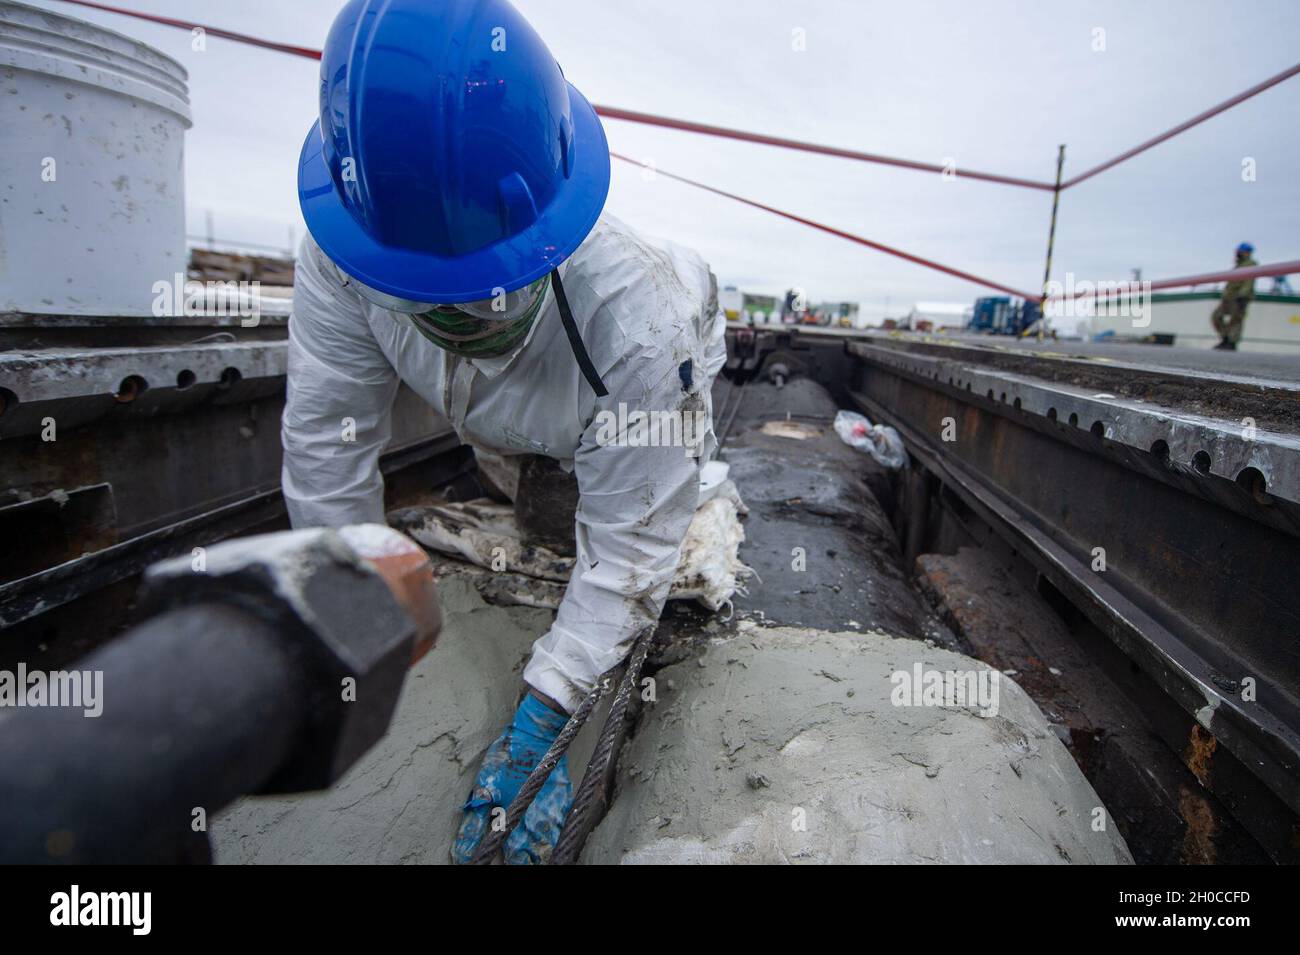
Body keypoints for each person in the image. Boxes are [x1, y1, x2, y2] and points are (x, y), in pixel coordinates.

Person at [284, 0, 725, 864]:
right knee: (521, 473)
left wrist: (548, 712)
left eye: (481, 293)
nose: (458, 316)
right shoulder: (342, 255)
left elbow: (634, 550)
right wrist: (347, 619)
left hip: (650, 377)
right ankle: (538, 467)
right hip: (519, 414)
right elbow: (327, 447)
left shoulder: (643, 324)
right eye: (427, 298)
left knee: (642, 499)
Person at [1211, 243, 1257, 350]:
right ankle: (1226, 337)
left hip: (1239, 297)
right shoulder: (1238, 265)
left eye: (1240, 251)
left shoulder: (1250, 264)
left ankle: (1232, 342)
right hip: (1228, 297)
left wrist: (1243, 295)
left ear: (1246, 252)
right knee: (1216, 317)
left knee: (1236, 320)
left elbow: (1249, 282)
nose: (1237, 253)